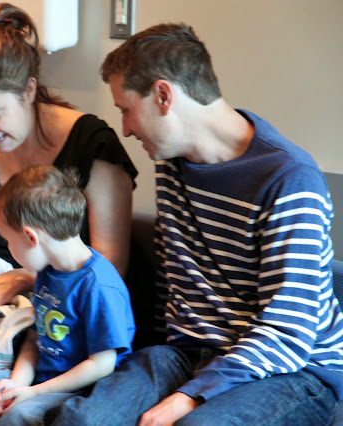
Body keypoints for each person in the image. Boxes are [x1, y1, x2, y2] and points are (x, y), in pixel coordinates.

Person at [46, 23, 343, 425]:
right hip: (186, 355)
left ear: (163, 95)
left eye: (126, 109)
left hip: (290, 370)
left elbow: (289, 331)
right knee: (81, 420)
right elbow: (172, 288)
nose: (126, 129)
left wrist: (188, 397)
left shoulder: (289, 179)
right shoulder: (171, 164)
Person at [0, 2, 138, 329]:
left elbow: (110, 270)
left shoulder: (90, 146)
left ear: (29, 90)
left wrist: (18, 279)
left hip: (58, 324)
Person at [0, 165, 135, 425]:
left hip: (82, 392)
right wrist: (16, 384)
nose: (8, 247)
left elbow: (102, 364)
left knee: (20, 415)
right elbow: (35, 339)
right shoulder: (48, 273)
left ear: (30, 237)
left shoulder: (99, 286)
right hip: (38, 383)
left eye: (7, 240)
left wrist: (33, 393)